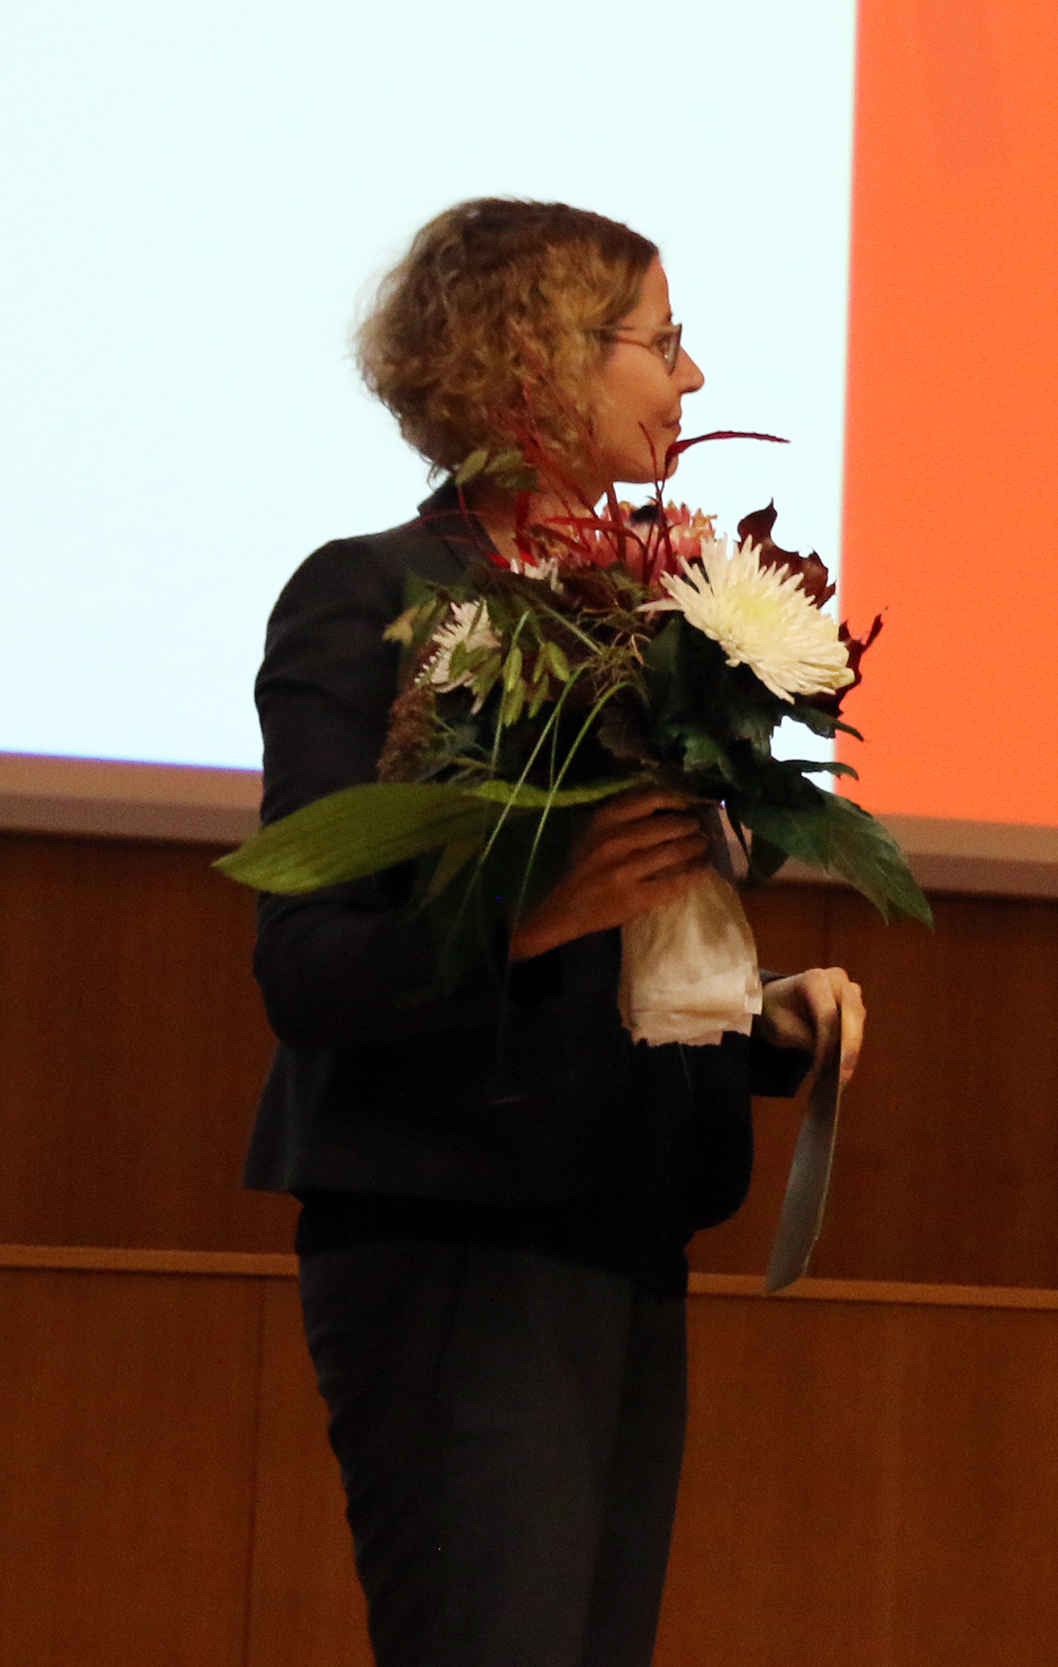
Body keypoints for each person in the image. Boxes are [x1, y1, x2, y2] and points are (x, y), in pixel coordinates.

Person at [246, 198, 865, 1667]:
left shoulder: (662, 614)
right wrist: (543, 914)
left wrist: (750, 1011)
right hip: (458, 1238)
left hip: (621, 1220)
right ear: (539, 360)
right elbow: (309, 968)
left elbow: (619, 945)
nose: (693, 383)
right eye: (665, 343)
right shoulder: (376, 599)